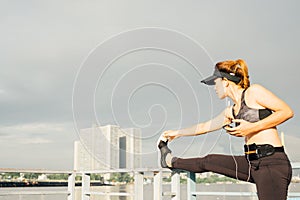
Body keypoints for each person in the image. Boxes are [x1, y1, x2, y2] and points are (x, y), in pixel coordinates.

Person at [158, 59, 294, 200]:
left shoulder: (254, 92)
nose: (214, 88)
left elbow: (286, 111)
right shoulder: (231, 111)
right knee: (208, 161)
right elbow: (205, 126)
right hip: (251, 163)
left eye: (215, 83)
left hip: (271, 163)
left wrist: (251, 128)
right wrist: (176, 133)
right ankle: (170, 161)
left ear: (225, 81)